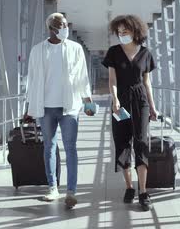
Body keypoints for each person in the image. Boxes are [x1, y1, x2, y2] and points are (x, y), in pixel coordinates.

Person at [23, 12, 95, 209]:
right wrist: (28, 108)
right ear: (51, 28)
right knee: (49, 147)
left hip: (69, 106)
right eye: (60, 25)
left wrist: (88, 102)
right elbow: (31, 80)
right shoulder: (38, 50)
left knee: (70, 148)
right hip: (45, 107)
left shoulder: (75, 48)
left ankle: (71, 191)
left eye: (65, 25)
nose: (65, 28)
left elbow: (82, 77)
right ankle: (52, 188)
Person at [102, 14, 157, 211]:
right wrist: (115, 99)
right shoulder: (114, 53)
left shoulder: (145, 54)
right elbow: (112, 80)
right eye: (119, 32)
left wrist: (152, 106)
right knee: (122, 142)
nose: (122, 34)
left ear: (135, 31)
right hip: (121, 104)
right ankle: (129, 187)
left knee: (141, 142)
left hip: (140, 101)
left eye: (125, 31)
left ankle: (143, 191)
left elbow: (147, 83)